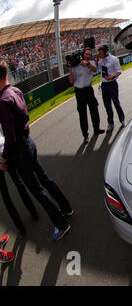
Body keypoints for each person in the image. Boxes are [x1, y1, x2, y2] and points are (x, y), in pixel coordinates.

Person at [0, 59, 72, 242]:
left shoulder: (2, 100)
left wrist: (3, 159)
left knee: (37, 190)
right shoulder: (14, 90)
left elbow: (10, 137)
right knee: (45, 180)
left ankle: (62, 224)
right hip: (29, 143)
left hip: (19, 150)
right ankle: (66, 208)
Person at [0, 126, 38, 236]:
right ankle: (33, 211)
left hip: (4, 153)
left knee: (6, 193)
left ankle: (21, 226)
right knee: (18, 183)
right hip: (5, 152)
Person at [68, 48, 105, 144]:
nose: (88, 56)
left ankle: (97, 129)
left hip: (89, 89)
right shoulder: (75, 65)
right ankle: (85, 135)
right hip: (79, 92)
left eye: (89, 54)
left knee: (94, 110)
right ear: (82, 54)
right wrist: (70, 70)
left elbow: (95, 69)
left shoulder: (91, 62)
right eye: (86, 54)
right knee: (82, 114)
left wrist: (87, 64)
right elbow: (71, 81)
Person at [96, 45, 125, 132]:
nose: (99, 55)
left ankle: (122, 119)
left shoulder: (114, 59)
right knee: (107, 105)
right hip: (104, 85)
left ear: (106, 52)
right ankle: (110, 123)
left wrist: (112, 77)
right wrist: (98, 61)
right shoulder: (100, 60)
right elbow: (98, 70)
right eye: (98, 53)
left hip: (112, 83)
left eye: (101, 53)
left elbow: (119, 71)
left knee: (116, 103)